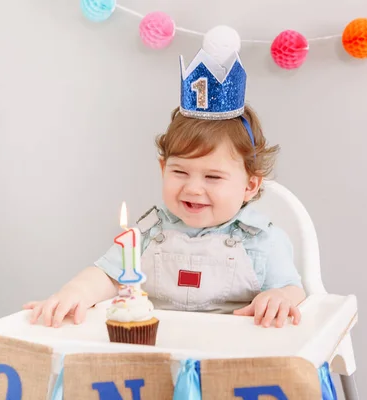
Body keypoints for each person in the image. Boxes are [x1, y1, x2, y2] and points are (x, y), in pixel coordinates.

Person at [23, 48, 306, 329]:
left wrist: (279, 297)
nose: (193, 188)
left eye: (213, 177)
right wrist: (76, 293)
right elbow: (108, 275)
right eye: (180, 172)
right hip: (157, 350)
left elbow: (293, 289)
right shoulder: (149, 232)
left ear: (250, 185)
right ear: (163, 169)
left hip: (230, 356)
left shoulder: (263, 240)